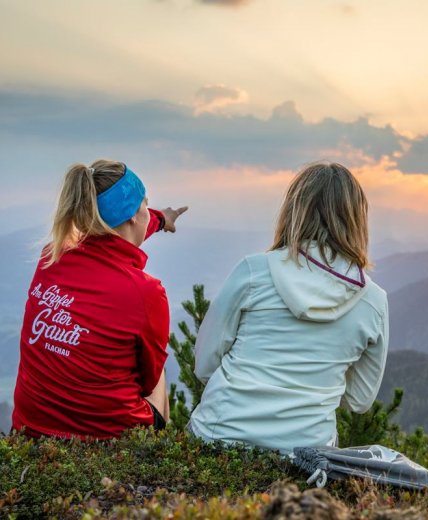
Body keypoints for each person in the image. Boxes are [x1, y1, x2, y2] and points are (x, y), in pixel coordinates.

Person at [189, 162, 389, 455]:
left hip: (218, 437)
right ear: (358, 219)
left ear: (293, 211)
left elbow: (205, 363)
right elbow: (359, 400)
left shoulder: (253, 273)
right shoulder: (373, 301)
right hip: (305, 453)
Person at [12, 160, 187, 438]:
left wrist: (161, 220)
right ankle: (157, 447)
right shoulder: (146, 292)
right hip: (109, 436)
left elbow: (119, 232)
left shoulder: (51, 257)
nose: (147, 211)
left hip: (30, 429)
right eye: (145, 204)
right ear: (132, 215)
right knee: (159, 367)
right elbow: (148, 379)